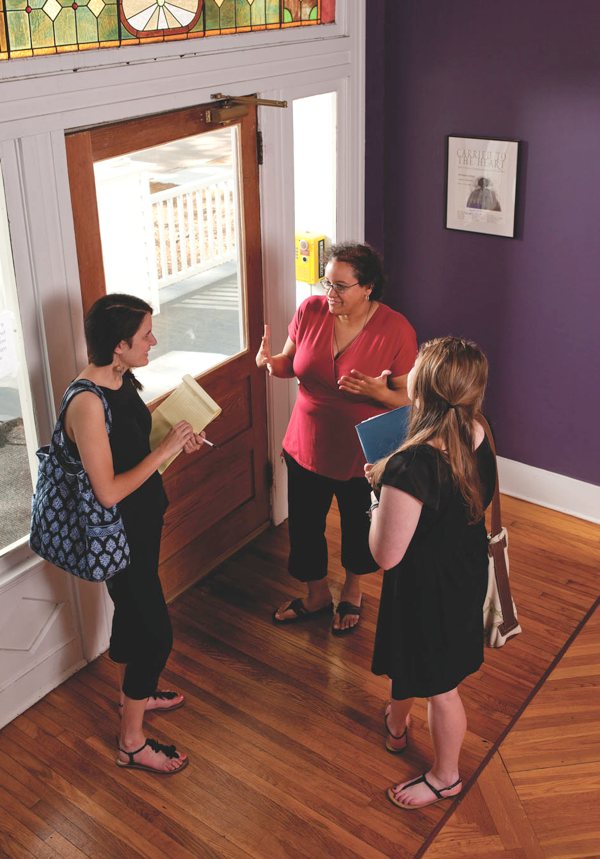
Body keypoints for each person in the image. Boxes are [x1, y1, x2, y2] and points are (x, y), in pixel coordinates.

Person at [62, 293, 206, 774]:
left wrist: (176, 436)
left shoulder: (121, 378)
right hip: (116, 534)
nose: (154, 339)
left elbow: (130, 443)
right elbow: (107, 492)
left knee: (133, 614)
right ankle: (130, 742)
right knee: (155, 635)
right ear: (119, 344)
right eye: (146, 334)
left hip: (143, 525)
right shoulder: (86, 401)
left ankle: (135, 695)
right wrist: (164, 453)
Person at [256, 242, 417, 634]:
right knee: (306, 525)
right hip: (306, 441)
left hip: (362, 450)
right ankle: (315, 595)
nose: (330, 293)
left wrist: (378, 393)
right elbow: (290, 365)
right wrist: (270, 364)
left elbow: (410, 396)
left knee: (358, 525)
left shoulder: (396, 329)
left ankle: (353, 589)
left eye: (341, 286)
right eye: (327, 282)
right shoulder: (310, 311)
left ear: (368, 288)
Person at [366, 336, 496, 809]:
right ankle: (397, 725)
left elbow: (385, 555)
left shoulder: (410, 464)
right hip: (462, 571)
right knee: (414, 657)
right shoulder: (477, 429)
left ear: (421, 386)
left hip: (427, 587)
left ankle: (446, 776)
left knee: (441, 688)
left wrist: (378, 494)